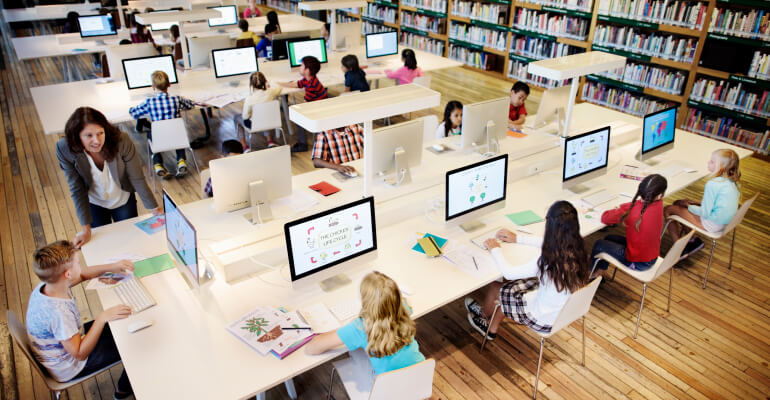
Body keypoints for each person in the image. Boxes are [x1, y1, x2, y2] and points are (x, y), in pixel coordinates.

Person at [465, 201, 590, 339]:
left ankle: (484, 315)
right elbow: (549, 244)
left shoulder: (547, 260)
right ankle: (492, 328)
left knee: (496, 287)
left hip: (542, 318)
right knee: (511, 290)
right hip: (564, 312)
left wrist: (495, 249)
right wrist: (518, 238)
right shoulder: (578, 247)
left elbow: (509, 273)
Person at [25, 240, 135, 398]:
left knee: (123, 325)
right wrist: (101, 318)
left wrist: (112, 267)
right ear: (68, 274)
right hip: (71, 365)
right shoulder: (58, 313)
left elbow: (82, 274)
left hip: (67, 343)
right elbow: (79, 353)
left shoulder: (50, 285)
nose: (80, 265)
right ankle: (123, 389)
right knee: (134, 343)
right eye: (77, 262)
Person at [56, 107, 160, 248]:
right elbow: (76, 189)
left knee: (130, 240)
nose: (97, 141)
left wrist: (154, 209)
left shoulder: (121, 140)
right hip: (94, 202)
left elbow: (137, 178)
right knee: (103, 245)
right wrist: (85, 229)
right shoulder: (64, 148)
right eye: (89, 135)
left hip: (122, 198)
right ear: (76, 136)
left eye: (100, 133)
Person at [305, 272, 425, 375]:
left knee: (356, 353)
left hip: (388, 390)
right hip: (420, 377)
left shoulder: (360, 327)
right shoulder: (402, 308)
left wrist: (345, 328)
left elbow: (311, 349)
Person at [664, 149, 741, 259]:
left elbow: (705, 212)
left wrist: (689, 206)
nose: (708, 163)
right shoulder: (734, 182)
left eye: (712, 162)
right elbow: (720, 203)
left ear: (722, 166)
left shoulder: (713, 184)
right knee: (678, 203)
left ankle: (679, 251)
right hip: (725, 222)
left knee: (668, 209)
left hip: (712, 223)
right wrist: (694, 203)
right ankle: (692, 240)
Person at [590, 174, 668, 274]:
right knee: (609, 238)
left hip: (639, 263)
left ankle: (590, 276)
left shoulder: (635, 215)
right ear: (659, 195)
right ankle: (598, 273)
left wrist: (618, 209)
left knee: (599, 244)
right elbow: (637, 205)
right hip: (650, 255)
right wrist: (623, 208)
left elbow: (606, 218)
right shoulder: (658, 204)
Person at [128, 70, 196, 178]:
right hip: (177, 138)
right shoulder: (176, 99)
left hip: (159, 139)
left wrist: (131, 108)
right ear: (169, 85)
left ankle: (158, 164)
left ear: (153, 86)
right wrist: (184, 99)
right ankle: (181, 161)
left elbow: (134, 113)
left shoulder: (149, 102)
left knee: (151, 133)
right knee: (177, 130)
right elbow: (191, 105)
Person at [278, 56, 328, 153]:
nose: (299, 67)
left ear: (307, 70)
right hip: (317, 105)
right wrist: (279, 83)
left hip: (318, 109)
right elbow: (296, 84)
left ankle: (303, 144)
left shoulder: (311, 85)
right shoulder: (309, 79)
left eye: (302, 66)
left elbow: (307, 104)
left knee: (298, 117)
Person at [236, 71, 283, 150]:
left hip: (255, 125)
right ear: (265, 81)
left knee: (236, 118)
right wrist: (269, 85)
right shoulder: (271, 92)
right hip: (270, 121)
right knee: (265, 114)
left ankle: (244, 147)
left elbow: (245, 116)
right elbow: (279, 87)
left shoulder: (249, 99)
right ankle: (270, 141)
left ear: (251, 85)